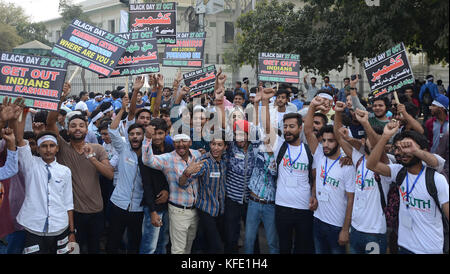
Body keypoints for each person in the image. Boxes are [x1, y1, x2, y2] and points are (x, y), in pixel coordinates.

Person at [46, 83, 114, 254]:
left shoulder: (97, 149)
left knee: (94, 249)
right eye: (73, 125)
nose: (77, 128)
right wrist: (61, 98)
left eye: (81, 125)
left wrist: (91, 158)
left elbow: (110, 175)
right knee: (74, 250)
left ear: (86, 128)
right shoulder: (62, 148)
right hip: (73, 213)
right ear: (67, 130)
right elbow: (50, 122)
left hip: (97, 211)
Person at [367, 122, 449, 254]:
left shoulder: (436, 179)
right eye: (400, 148)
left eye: (408, 147)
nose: (404, 152)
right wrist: (385, 136)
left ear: (422, 149)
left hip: (430, 249)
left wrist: (415, 150)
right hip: (404, 246)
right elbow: (371, 165)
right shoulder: (398, 171)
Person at [13, 103, 75, 254]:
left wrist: (72, 231)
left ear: (57, 148)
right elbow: (19, 139)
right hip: (33, 227)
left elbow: (68, 203)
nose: (48, 150)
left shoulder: (65, 171)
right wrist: (24, 111)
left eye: (52, 146)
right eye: (44, 146)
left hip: (60, 227)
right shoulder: (30, 164)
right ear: (38, 148)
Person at [334, 102, 391, 254]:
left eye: (378, 141)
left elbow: (378, 143)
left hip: (375, 232)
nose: (374, 143)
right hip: (356, 229)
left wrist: (366, 123)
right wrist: (338, 112)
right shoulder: (358, 158)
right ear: (364, 141)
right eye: (370, 139)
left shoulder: (387, 163)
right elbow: (339, 137)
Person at [305, 96, 355, 254]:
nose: (325, 144)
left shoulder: (347, 165)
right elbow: (307, 131)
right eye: (324, 140)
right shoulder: (319, 154)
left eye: (331, 141)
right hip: (318, 220)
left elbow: (351, 200)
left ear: (339, 142)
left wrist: (345, 229)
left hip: (337, 225)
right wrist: (313, 106)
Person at [142, 129, 202, 254]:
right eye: (177, 142)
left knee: (188, 248)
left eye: (184, 141)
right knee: (178, 250)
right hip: (178, 211)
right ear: (173, 144)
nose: (181, 144)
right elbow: (148, 160)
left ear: (190, 142)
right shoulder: (168, 158)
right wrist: (147, 139)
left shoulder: (196, 155)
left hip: (195, 210)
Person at [105, 96, 145, 254]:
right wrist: (122, 109)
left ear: (143, 137)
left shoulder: (149, 154)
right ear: (128, 137)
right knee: (113, 241)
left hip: (138, 208)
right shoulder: (123, 149)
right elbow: (112, 130)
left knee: (135, 242)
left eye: (138, 134)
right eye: (132, 134)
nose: (135, 136)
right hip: (118, 204)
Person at [244, 88, 280, 254]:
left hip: (270, 205)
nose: (267, 137)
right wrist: (259, 103)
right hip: (253, 202)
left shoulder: (280, 158)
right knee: (249, 240)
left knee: (273, 242)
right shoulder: (257, 149)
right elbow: (258, 125)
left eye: (271, 135)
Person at [186, 133, 227, 254]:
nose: (215, 148)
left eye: (219, 145)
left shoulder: (225, 160)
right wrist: (186, 173)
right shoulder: (203, 162)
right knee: (217, 247)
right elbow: (187, 179)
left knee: (206, 244)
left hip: (221, 210)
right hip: (206, 209)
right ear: (210, 145)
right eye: (213, 144)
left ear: (225, 147)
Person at [139, 118, 173, 254]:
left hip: (168, 203)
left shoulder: (171, 149)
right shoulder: (146, 152)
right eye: (154, 134)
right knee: (149, 246)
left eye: (160, 133)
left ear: (166, 133)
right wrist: (152, 211)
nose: (157, 137)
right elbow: (146, 183)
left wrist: (167, 191)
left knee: (162, 243)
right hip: (153, 205)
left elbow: (173, 175)